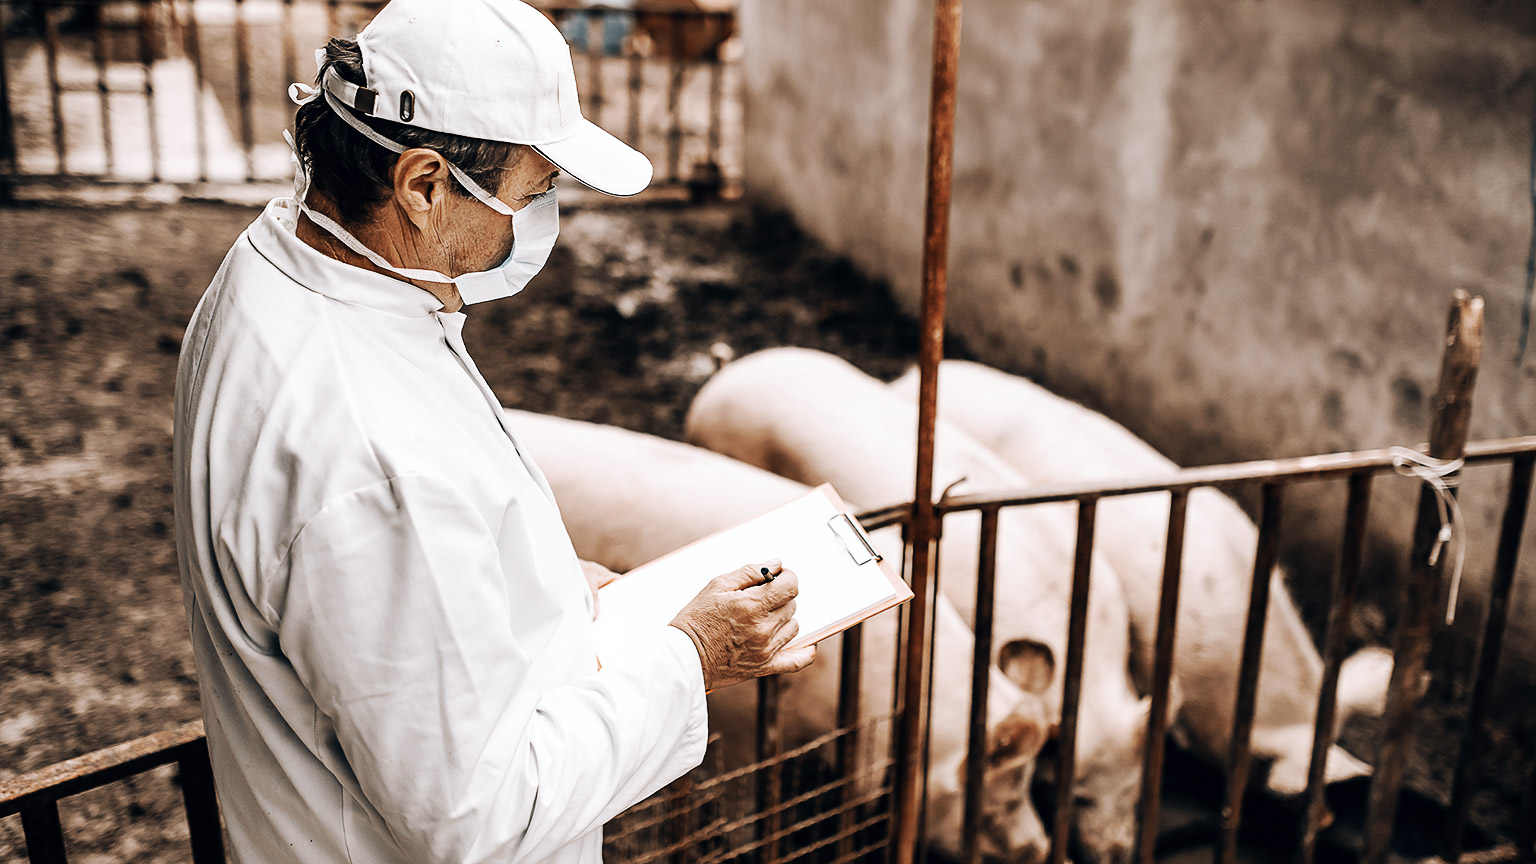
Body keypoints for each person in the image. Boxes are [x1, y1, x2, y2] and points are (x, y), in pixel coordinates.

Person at [170, 2, 814, 862]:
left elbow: (393, 608)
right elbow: (480, 812)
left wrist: (542, 584)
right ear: (424, 185)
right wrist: (693, 657)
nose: (534, 219)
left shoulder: (279, 271)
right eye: (532, 190)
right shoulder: (371, 456)